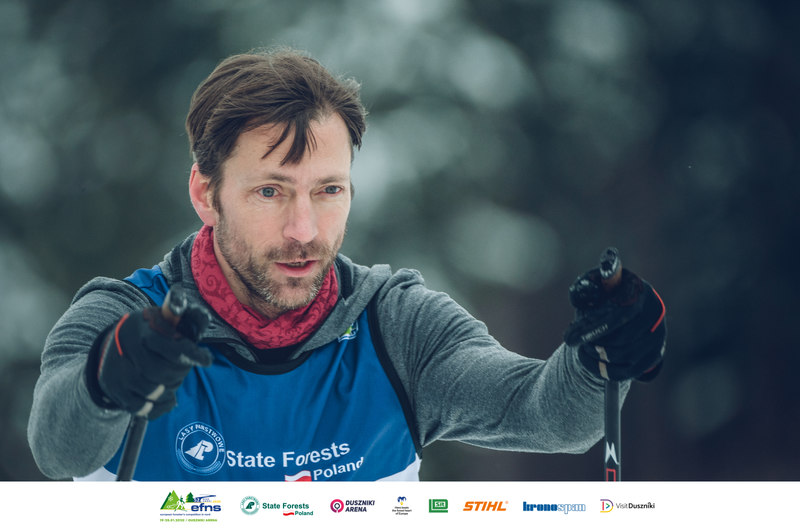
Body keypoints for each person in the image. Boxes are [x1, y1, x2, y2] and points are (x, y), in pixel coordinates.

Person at [27, 47, 666, 481]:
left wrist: (597, 359)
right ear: (205, 193)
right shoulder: (127, 320)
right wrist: (107, 379)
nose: (304, 230)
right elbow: (56, 449)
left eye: (328, 190)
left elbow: (548, 416)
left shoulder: (397, 327)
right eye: (270, 191)